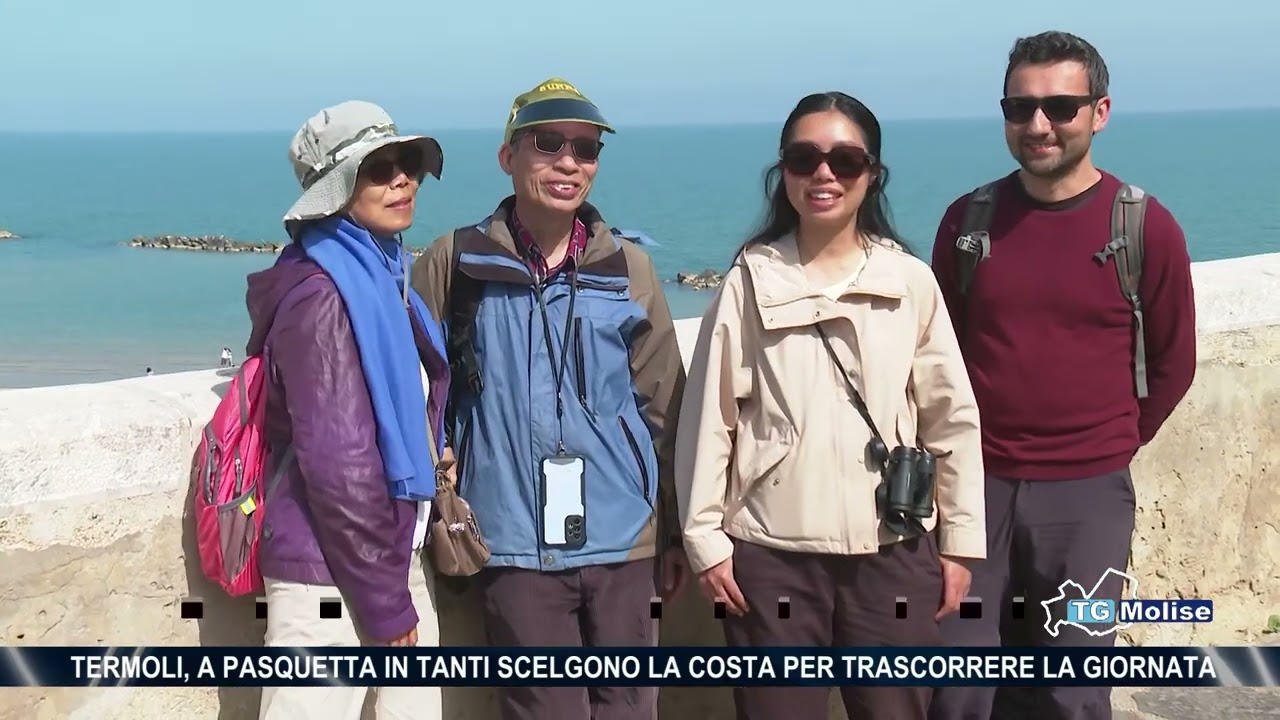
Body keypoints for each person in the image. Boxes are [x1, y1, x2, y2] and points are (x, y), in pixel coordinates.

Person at [674, 91, 987, 720]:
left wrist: (959, 542)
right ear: (783, 171)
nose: (824, 174)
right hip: (772, 558)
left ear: (872, 174)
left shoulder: (909, 282)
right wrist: (704, 539)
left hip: (893, 551)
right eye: (804, 158)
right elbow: (710, 420)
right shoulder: (748, 282)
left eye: (845, 160)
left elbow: (950, 418)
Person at [927, 32, 1197, 720]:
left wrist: (1108, 442)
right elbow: (938, 354)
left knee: (1072, 689)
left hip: (1088, 498)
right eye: (1020, 108)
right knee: (957, 685)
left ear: (1099, 112)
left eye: (1060, 107)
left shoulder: (1144, 226)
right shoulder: (967, 223)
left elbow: (1174, 361)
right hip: (974, 489)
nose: (1039, 124)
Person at [410, 77, 688, 720]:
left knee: (630, 710)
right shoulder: (456, 263)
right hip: (508, 540)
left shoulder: (629, 268)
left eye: (586, 149)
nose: (569, 162)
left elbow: (665, 407)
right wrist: (444, 480)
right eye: (549, 144)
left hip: (625, 539)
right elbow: (417, 391)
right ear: (508, 156)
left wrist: (675, 532)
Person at [244, 100, 450, 720]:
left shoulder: (383, 272)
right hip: (330, 574)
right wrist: (385, 601)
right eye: (379, 169)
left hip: (385, 552)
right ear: (336, 190)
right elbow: (340, 463)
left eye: (408, 163)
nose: (403, 180)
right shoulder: (324, 294)